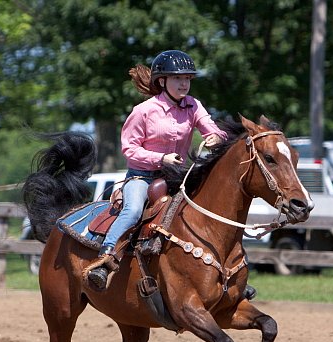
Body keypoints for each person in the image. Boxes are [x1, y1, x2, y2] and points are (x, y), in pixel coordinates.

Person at [86, 49, 227, 290]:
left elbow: (213, 130)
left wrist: (215, 137)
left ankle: (223, 271)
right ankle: (105, 258)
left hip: (178, 178)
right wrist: (161, 158)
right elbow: (129, 150)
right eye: (177, 79)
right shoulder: (143, 111)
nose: (184, 84)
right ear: (162, 81)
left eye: (187, 79)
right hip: (142, 177)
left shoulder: (194, 106)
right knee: (132, 212)